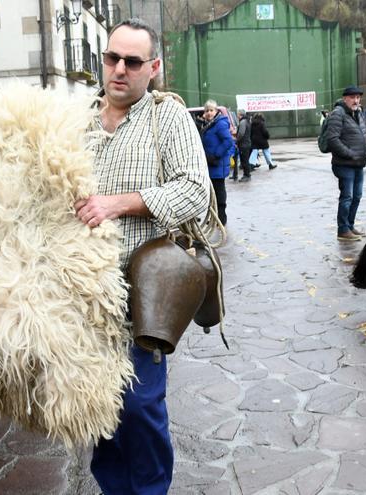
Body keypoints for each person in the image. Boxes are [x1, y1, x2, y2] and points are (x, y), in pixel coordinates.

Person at [74, 18, 210, 494]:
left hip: (143, 292)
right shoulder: (78, 120)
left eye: (132, 62)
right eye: (112, 58)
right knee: (98, 406)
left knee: (141, 407)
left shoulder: (166, 117)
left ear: (153, 67)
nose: (119, 69)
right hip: (83, 296)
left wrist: (119, 202)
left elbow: (195, 191)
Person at [326, 85, 366, 241]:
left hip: (358, 163)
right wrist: (350, 154)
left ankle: (350, 226)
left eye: (358, 97)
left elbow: (364, 133)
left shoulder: (358, 113)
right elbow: (332, 139)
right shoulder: (338, 114)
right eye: (352, 97)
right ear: (345, 99)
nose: (356, 100)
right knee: (347, 197)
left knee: (357, 196)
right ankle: (343, 229)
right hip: (344, 164)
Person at [200, 100, 235, 225]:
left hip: (217, 163)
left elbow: (228, 141)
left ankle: (221, 218)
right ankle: (215, 217)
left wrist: (216, 155)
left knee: (219, 191)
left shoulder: (219, 124)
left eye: (211, 110)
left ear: (216, 112)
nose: (209, 113)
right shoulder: (209, 124)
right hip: (211, 164)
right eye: (207, 111)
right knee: (212, 192)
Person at [233, 109, 252, 182]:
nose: (237, 115)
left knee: (244, 160)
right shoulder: (247, 121)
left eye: (237, 114)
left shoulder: (242, 122)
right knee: (245, 160)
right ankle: (247, 174)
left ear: (240, 114)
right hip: (246, 143)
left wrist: (236, 140)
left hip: (243, 144)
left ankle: (246, 175)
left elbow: (241, 133)